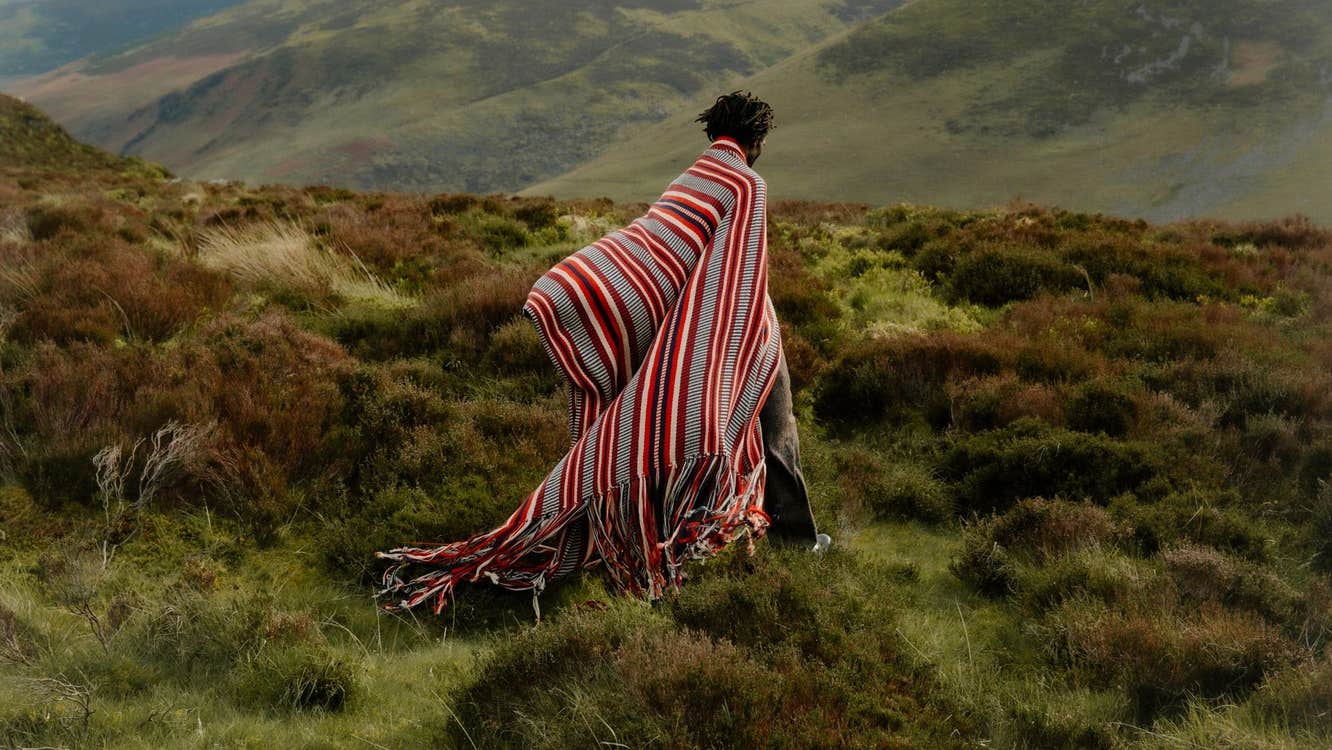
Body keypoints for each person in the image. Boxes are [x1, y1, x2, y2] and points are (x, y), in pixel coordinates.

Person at [378, 92, 826, 614]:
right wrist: (733, 356)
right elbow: (737, 273)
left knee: (660, 435)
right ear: (758, 140)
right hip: (709, 319)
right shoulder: (747, 184)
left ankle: (705, 535)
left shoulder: (690, 177)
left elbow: (665, 247)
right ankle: (776, 541)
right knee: (764, 423)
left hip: (655, 311)